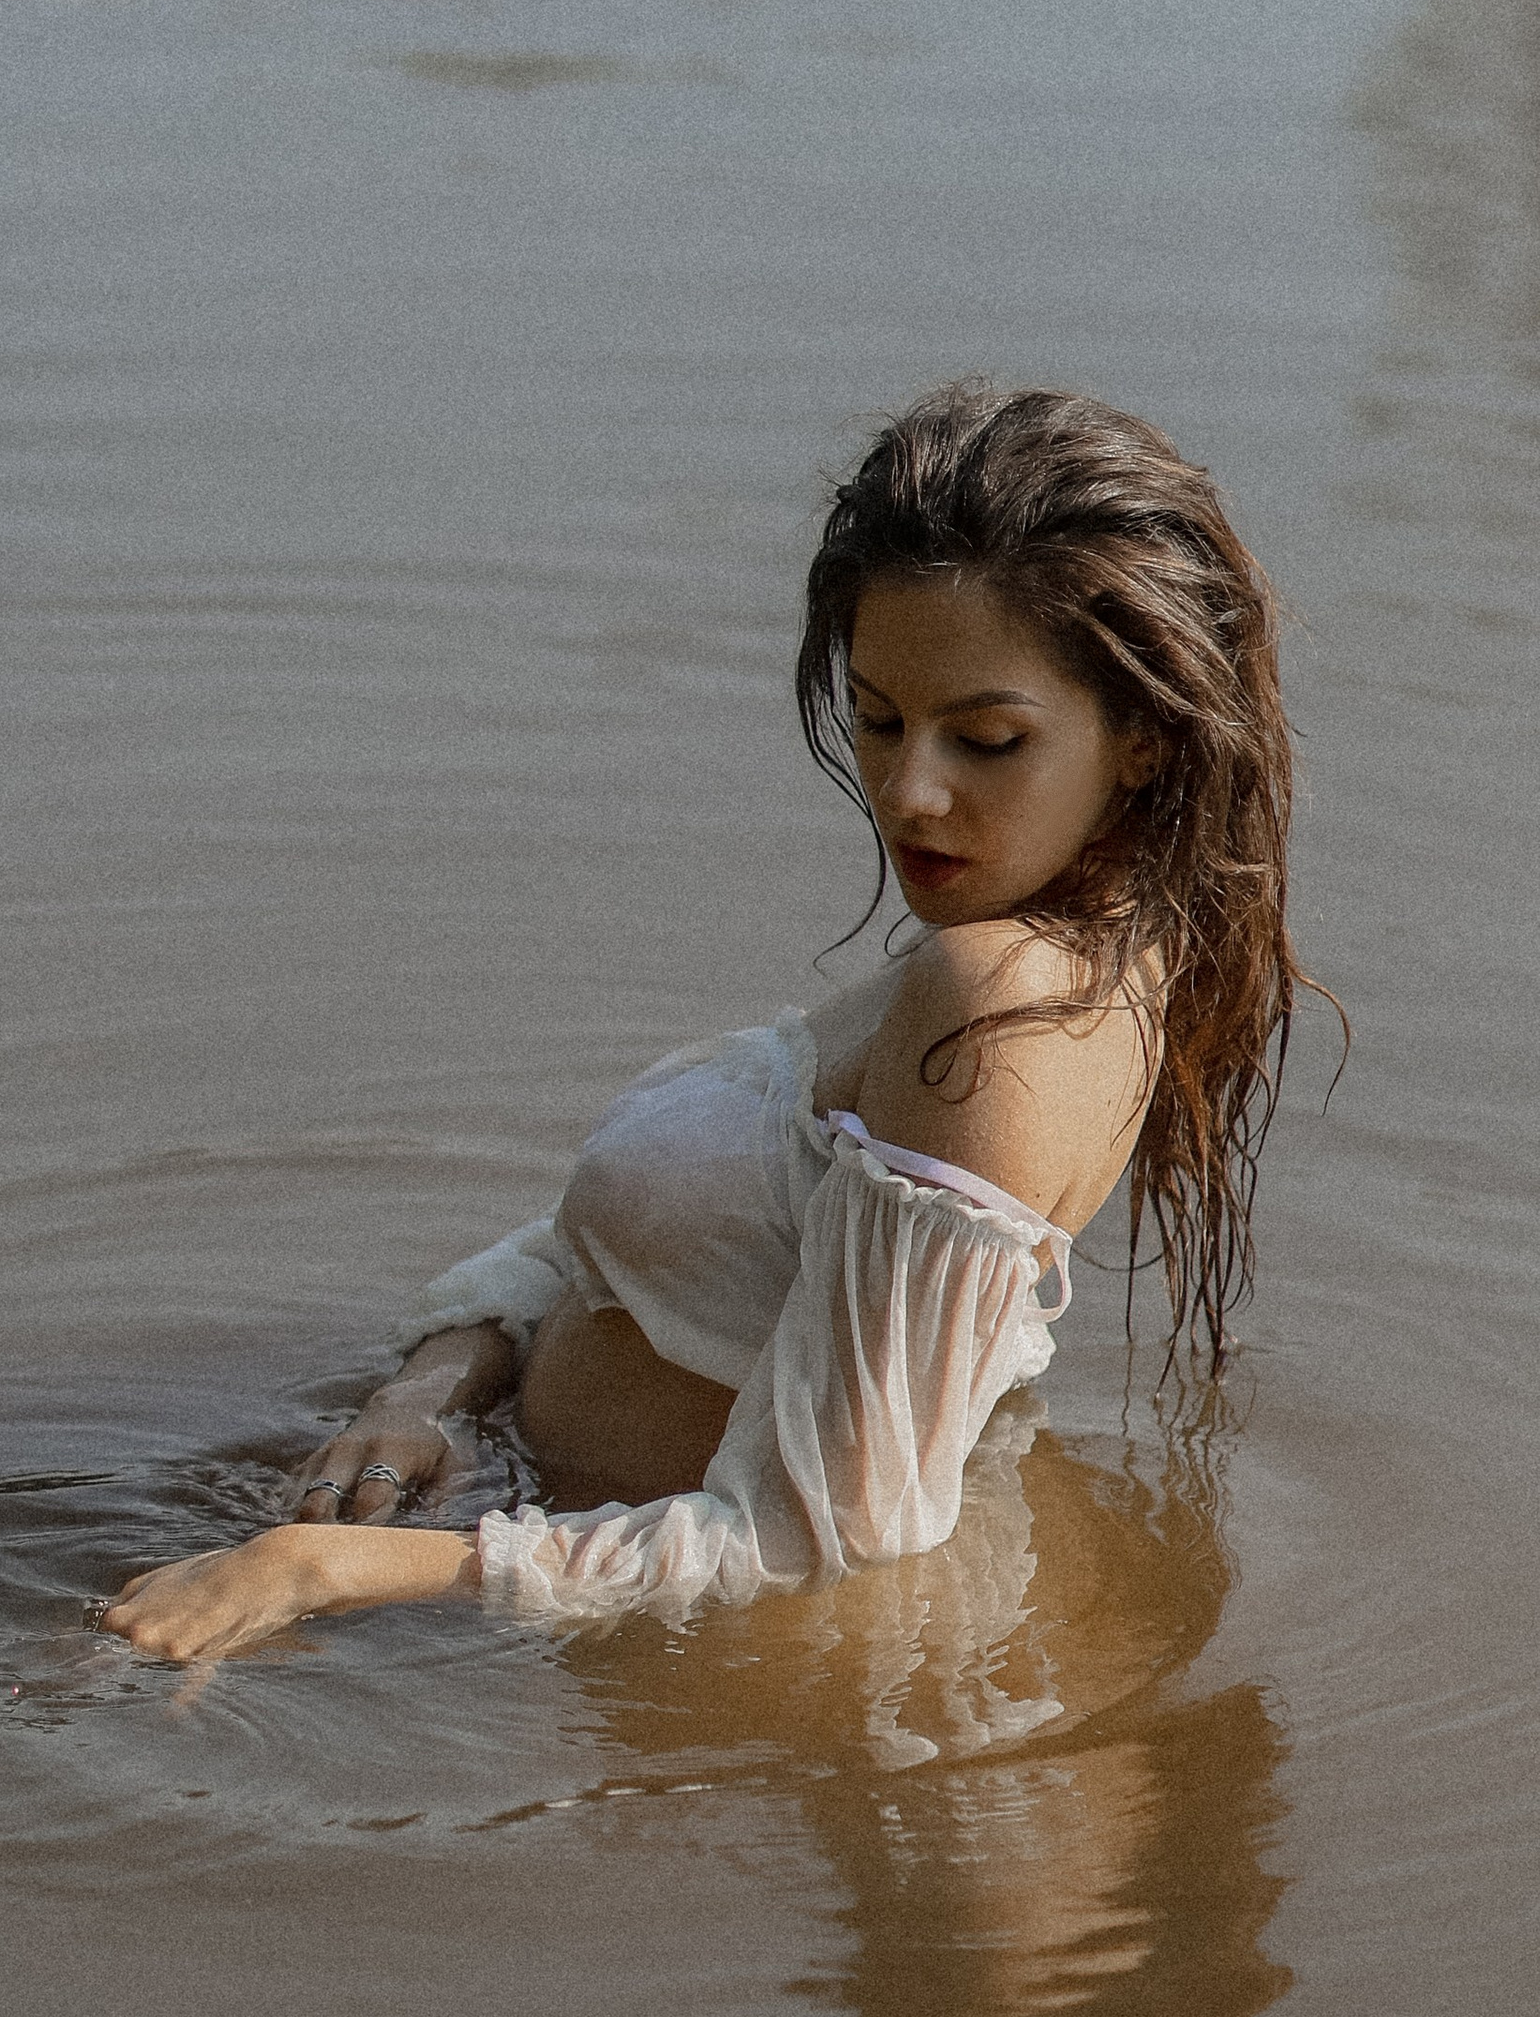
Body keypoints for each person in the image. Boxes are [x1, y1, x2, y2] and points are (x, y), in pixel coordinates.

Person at [95, 383, 1333, 1668]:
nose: (910, 792)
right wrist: (427, 1394)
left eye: (985, 739)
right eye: (877, 718)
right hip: (485, 1519)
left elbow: (819, 1541)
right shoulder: (987, 954)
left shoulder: (1008, 1015)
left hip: (587, 1635)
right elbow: (645, 1254)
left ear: (1139, 737)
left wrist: (332, 1570)